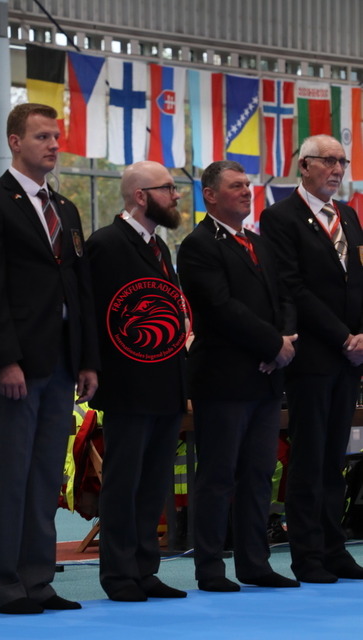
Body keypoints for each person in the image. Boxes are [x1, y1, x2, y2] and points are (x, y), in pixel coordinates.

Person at [0, 103, 100, 614]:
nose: (53, 145)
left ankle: (38, 581)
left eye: (56, 137)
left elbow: (79, 289)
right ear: (15, 142)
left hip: (61, 362)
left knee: (44, 478)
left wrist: (87, 359)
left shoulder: (65, 209)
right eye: (42, 136)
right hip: (15, 365)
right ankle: (4, 584)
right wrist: (5, 360)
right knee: (9, 478)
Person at [177, 160, 299, 592]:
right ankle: (210, 567)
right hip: (224, 379)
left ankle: (254, 563)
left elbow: (285, 297)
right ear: (210, 195)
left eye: (248, 185)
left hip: (266, 378)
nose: (247, 191)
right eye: (236, 186)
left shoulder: (259, 243)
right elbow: (219, 307)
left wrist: (283, 342)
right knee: (218, 474)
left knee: (258, 473)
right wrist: (272, 345)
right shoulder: (197, 245)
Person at [260, 134, 363, 584]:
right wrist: (344, 337)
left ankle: (334, 548)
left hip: (350, 358)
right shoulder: (280, 217)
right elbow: (292, 288)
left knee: (335, 457)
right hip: (313, 356)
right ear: (304, 166)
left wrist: (361, 337)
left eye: (343, 161)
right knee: (309, 456)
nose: (337, 169)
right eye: (328, 161)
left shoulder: (349, 216)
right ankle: (308, 554)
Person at [86, 160, 188, 602]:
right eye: (168, 188)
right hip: (127, 386)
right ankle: (119, 574)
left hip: (165, 383)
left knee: (153, 484)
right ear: (140, 196)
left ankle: (146, 569)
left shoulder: (158, 247)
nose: (176, 195)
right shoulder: (106, 244)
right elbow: (96, 317)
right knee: (124, 483)